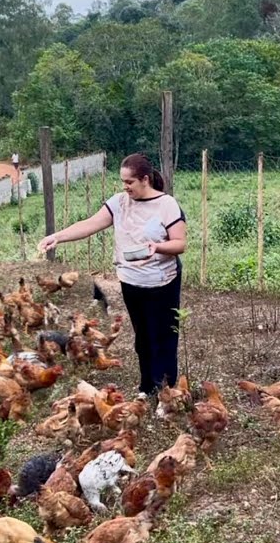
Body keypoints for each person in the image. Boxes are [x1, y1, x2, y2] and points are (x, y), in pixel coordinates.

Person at [37, 154, 186, 398]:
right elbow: (90, 223)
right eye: (123, 182)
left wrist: (156, 248)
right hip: (131, 282)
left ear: (145, 179)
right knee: (143, 336)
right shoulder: (119, 203)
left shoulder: (167, 205)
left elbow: (180, 243)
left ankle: (166, 392)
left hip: (162, 282)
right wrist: (57, 237)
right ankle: (147, 386)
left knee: (163, 338)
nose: (125, 187)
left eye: (130, 182)